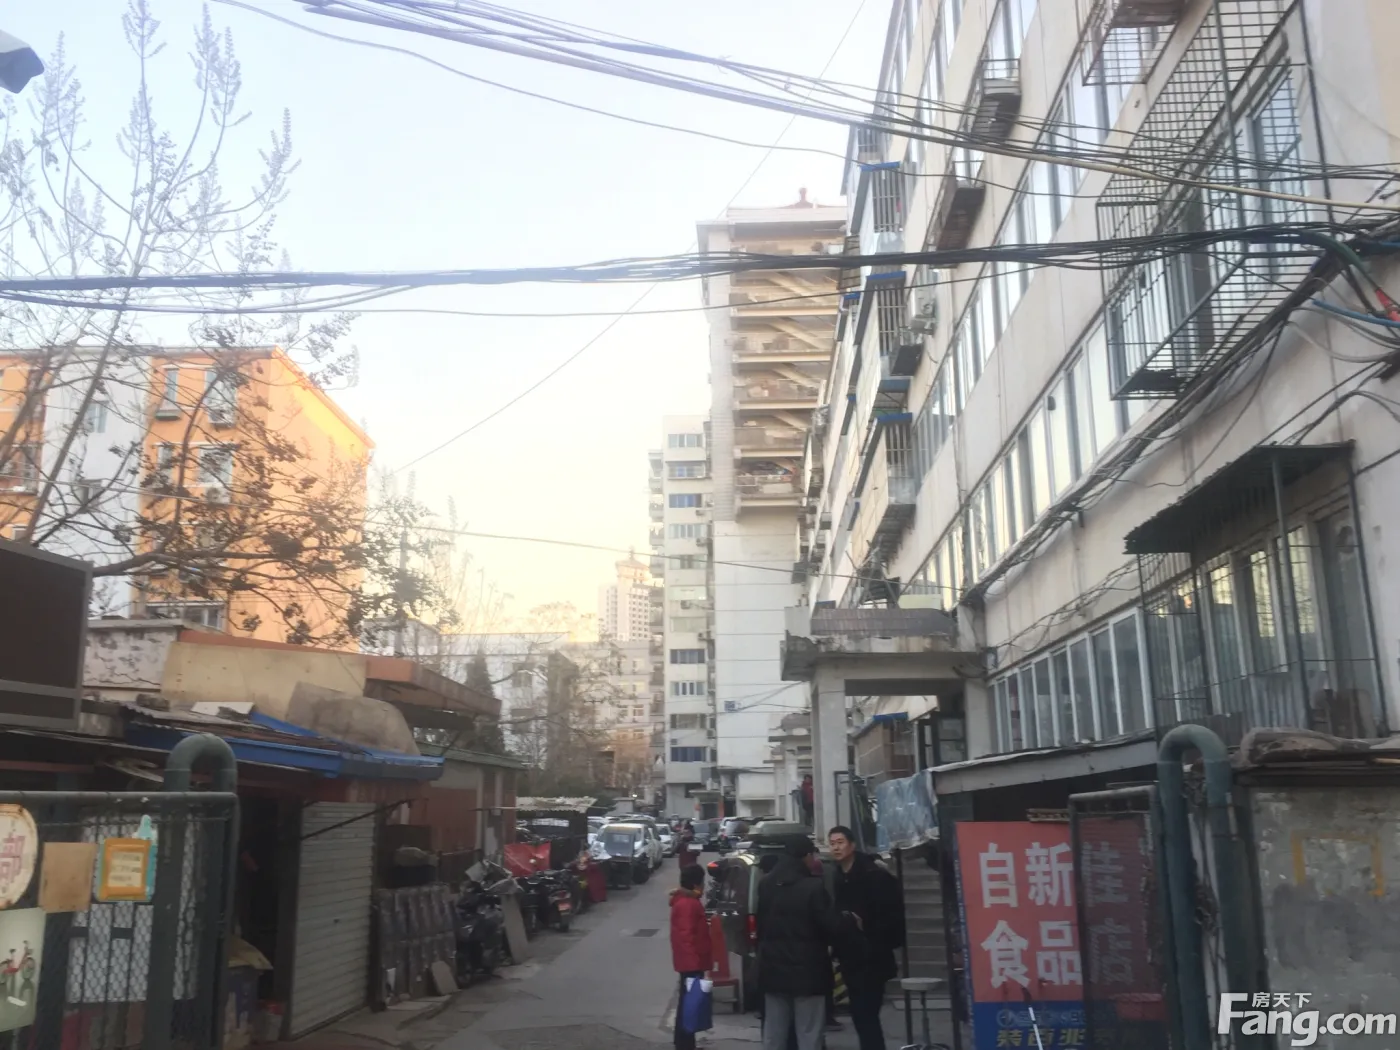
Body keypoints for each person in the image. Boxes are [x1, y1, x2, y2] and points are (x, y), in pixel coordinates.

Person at [756, 835, 839, 1050]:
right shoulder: (813, 887)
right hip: (808, 972)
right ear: (807, 856)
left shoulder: (766, 884)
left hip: (773, 970)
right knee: (809, 1033)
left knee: (774, 1032)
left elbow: (761, 926)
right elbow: (828, 927)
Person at [827, 826, 904, 1050]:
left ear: (852, 845)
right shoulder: (837, 876)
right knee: (860, 1016)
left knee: (867, 1014)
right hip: (849, 957)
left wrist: (865, 925)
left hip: (873, 956)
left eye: (840, 842)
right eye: (832, 843)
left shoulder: (874, 875)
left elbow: (894, 918)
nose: (836, 848)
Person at [670, 864, 713, 1050]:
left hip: (690, 961)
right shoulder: (688, 904)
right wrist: (694, 964)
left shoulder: (686, 901)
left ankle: (685, 1043)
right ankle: (685, 1044)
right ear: (696, 884)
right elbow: (686, 936)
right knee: (690, 1005)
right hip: (691, 963)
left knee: (687, 1003)